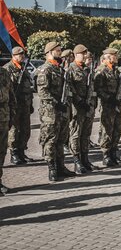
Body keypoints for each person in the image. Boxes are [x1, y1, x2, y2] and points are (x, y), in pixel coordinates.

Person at [37, 42, 74, 181]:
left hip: (61, 109)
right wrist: (56, 103)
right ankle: (52, 168)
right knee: (50, 139)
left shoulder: (60, 70)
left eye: (60, 50)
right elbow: (43, 92)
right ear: (49, 53)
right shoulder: (45, 70)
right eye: (57, 51)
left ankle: (60, 166)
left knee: (61, 138)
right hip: (50, 112)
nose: (60, 52)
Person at [4, 47, 34, 165]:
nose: (22, 56)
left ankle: (22, 151)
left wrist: (30, 103)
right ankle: (14, 153)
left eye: (23, 54)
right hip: (15, 104)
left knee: (25, 129)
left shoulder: (23, 68)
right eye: (20, 54)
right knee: (14, 130)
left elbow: (29, 88)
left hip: (25, 103)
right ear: (14, 55)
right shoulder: (8, 68)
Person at [94, 47, 121, 166]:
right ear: (107, 57)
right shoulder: (101, 71)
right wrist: (108, 98)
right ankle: (106, 155)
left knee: (117, 129)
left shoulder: (116, 71)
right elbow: (98, 89)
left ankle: (113, 152)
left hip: (117, 104)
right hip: (107, 105)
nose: (116, 57)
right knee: (107, 130)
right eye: (113, 56)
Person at [68, 44, 92, 174]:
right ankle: (77, 160)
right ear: (76, 55)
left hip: (86, 106)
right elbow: (70, 88)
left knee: (85, 133)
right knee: (76, 134)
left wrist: (89, 102)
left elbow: (91, 87)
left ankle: (85, 158)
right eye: (83, 54)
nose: (85, 56)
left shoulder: (86, 69)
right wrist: (79, 100)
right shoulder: (70, 69)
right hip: (76, 107)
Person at [0, 65, 16, 195]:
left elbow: (11, 94)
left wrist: (12, 113)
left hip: (4, 117)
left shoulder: (4, 72)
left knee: (2, 151)